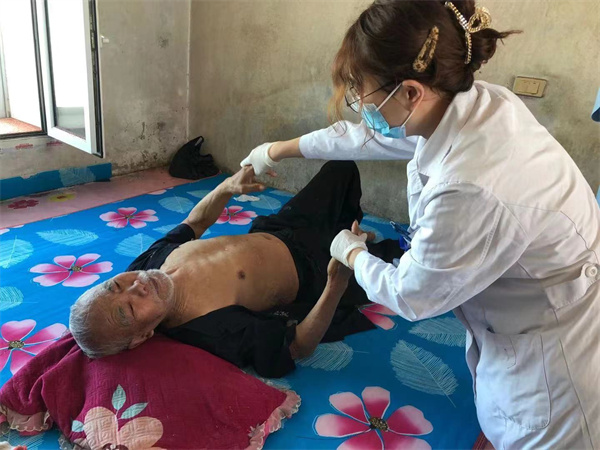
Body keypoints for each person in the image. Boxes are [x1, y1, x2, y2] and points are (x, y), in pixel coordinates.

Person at [240, 1, 600, 448]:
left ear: (410, 91)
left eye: (359, 90)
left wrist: (352, 251)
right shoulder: (472, 103)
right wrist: (274, 150)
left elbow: (412, 296)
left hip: (557, 363)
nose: (358, 103)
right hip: (524, 311)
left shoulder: (470, 184)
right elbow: (362, 137)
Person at [69, 162, 401, 378]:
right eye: (129, 309)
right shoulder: (210, 328)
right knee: (400, 265)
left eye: (116, 285)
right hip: (316, 268)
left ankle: (350, 230)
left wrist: (227, 187)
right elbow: (297, 347)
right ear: (143, 336)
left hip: (280, 229)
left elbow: (194, 224)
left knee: (341, 169)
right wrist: (335, 283)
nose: (136, 286)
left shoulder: (145, 267)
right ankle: (352, 239)